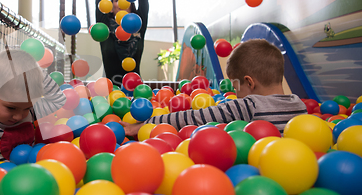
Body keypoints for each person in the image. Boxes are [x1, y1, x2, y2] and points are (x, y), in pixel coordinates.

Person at [122, 39, 308, 136]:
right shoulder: (300, 105)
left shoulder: (249, 105)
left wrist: (142, 126)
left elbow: (193, 117)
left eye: (236, 87)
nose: (234, 94)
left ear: (249, 82)